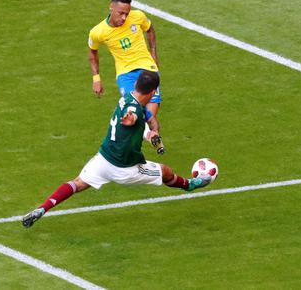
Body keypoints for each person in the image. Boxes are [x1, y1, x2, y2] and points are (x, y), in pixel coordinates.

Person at [22, 71, 212, 228]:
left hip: (103, 159)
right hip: (125, 168)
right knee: (165, 171)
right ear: (154, 91)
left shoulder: (128, 98)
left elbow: (140, 114)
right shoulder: (133, 110)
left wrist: (150, 132)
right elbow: (133, 115)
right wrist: (132, 119)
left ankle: (43, 208)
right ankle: (192, 184)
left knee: (77, 184)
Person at [88, 0, 164, 152]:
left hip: (148, 69)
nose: (124, 18)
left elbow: (149, 29)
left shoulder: (138, 16)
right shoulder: (98, 32)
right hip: (125, 75)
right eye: (120, 13)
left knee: (149, 112)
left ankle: (153, 134)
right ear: (111, 7)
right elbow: (92, 52)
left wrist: (153, 53)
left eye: (126, 14)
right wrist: (96, 78)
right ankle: (150, 136)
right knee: (137, 108)